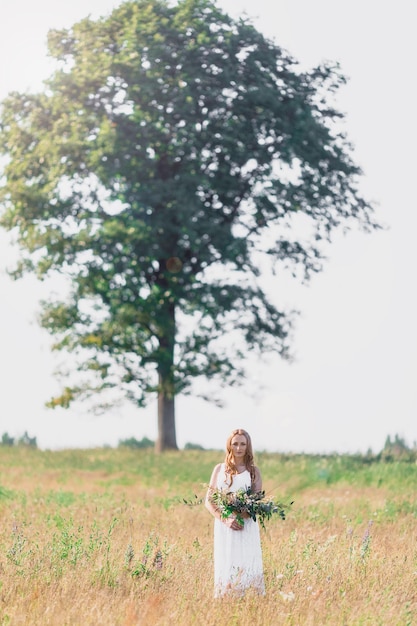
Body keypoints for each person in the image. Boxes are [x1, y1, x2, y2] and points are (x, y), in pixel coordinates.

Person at [205, 428, 265, 597]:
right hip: (225, 527)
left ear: (248, 446)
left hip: (246, 526)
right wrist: (226, 519)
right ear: (229, 445)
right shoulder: (219, 469)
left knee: (247, 564)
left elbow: (256, 502)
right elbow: (209, 501)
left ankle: (250, 600)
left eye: (243, 444)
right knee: (227, 565)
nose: (239, 448)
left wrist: (241, 514)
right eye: (235, 444)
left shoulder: (254, 471)